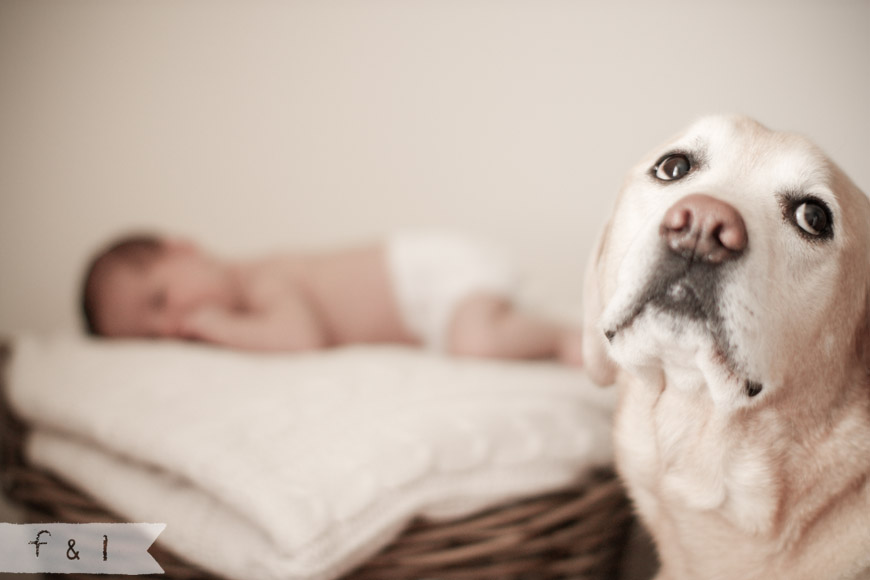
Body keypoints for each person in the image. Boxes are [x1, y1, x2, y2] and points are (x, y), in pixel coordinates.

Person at [80, 231, 584, 365]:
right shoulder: (252, 294)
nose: (170, 326)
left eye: (160, 300)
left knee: (476, 344)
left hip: (436, 273)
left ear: (183, 249)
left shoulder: (261, 280)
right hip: (429, 311)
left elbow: (300, 340)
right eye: (151, 336)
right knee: (466, 341)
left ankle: (563, 334)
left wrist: (218, 327)